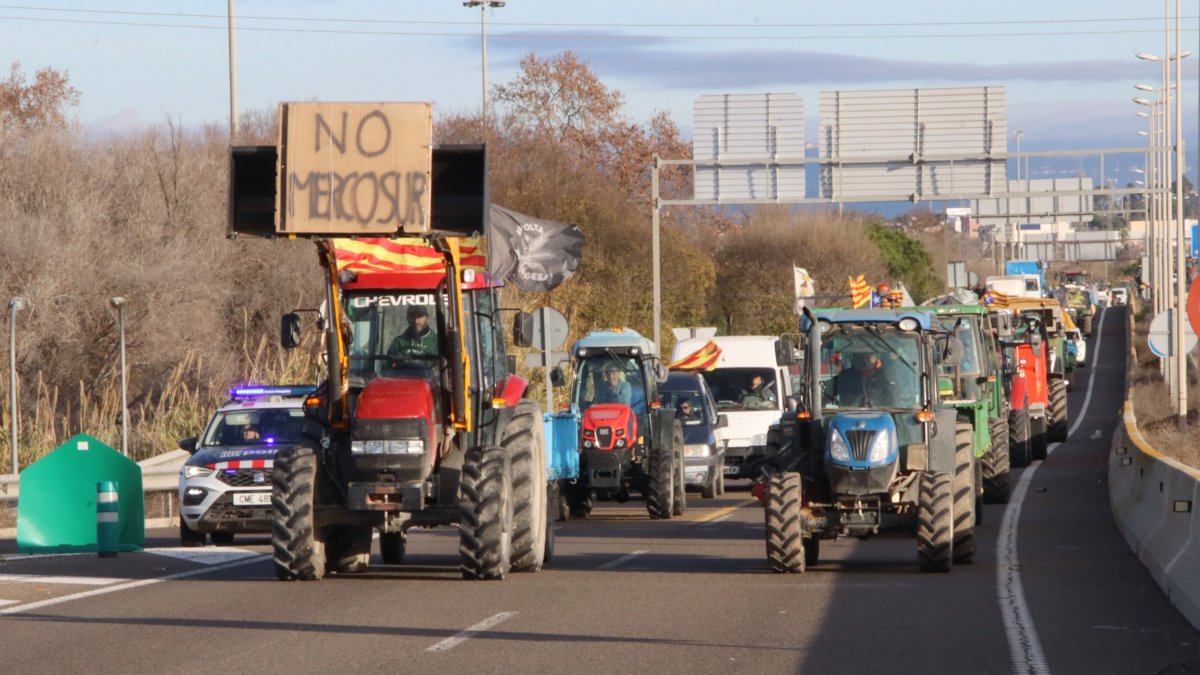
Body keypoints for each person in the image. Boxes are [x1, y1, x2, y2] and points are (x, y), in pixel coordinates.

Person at [836, 350, 902, 408]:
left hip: (881, 416)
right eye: (858, 356)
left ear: (876, 356)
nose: (863, 359)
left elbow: (894, 403)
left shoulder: (888, 375)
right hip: (848, 416)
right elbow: (829, 391)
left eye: (867, 355)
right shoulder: (845, 376)